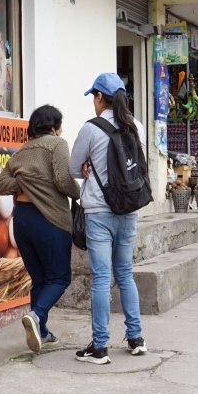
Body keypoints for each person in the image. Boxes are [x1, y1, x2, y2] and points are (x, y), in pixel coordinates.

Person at [69, 73, 148, 365]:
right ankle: (136, 339)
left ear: (100, 98)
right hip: (129, 210)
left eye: (94, 96)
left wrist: (88, 167)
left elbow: (73, 169)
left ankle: (100, 347)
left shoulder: (91, 129)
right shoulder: (136, 126)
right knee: (125, 274)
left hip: (99, 212)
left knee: (102, 278)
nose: (93, 101)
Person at [0, 105, 81, 353]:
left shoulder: (21, 152)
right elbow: (63, 180)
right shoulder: (57, 144)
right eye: (60, 125)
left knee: (40, 279)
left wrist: (24, 181)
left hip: (22, 221)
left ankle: (41, 331)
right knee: (60, 278)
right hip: (48, 219)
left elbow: (1, 185)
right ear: (54, 127)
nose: (61, 130)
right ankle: (37, 314)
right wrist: (80, 193)